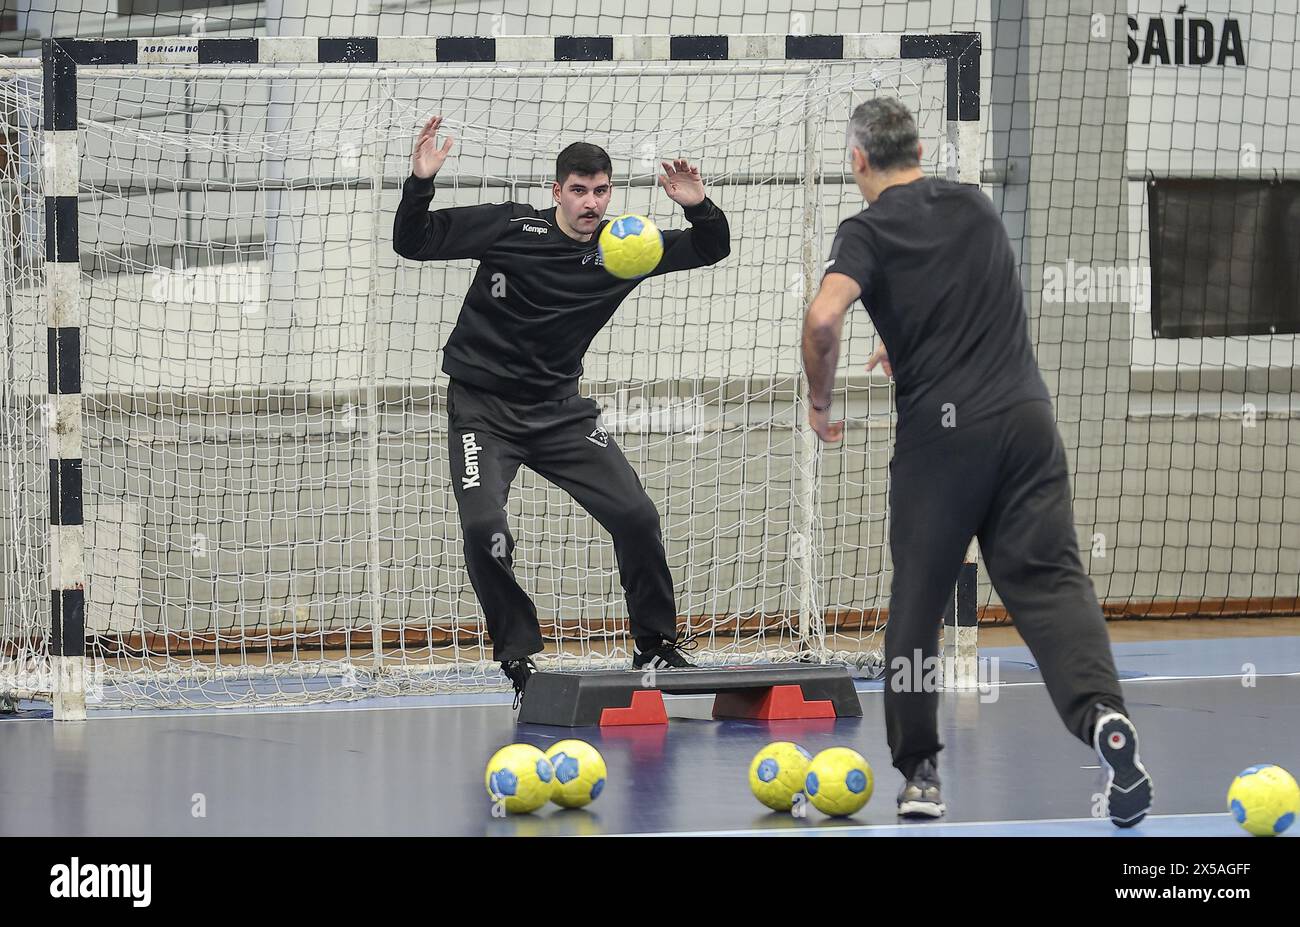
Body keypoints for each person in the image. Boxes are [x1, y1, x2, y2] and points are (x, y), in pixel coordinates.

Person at [800, 98, 1152, 826]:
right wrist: (911, 339)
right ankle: (1103, 719)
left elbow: (824, 317)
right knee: (1052, 584)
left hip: (942, 440)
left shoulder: (866, 229)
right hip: (1027, 423)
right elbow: (970, 300)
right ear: (921, 148)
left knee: (918, 604)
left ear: (858, 160)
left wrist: (820, 400)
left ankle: (921, 772)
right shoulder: (977, 207)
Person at [393, 116, 731, 705]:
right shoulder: (509, 226)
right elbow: (413, 241)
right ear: (557, 192)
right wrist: (421, 181)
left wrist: (698, 206)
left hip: (561, 415)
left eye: (601, 191)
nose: (591, 203)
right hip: (483, 412)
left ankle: (654, 645)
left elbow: (711, 248)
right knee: (485, 529)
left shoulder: (625, 249)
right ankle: (520, 659)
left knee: (636, 516)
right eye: (579, 190)